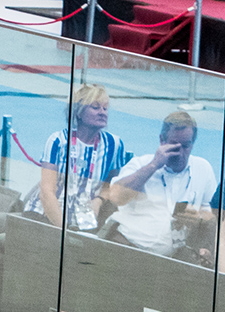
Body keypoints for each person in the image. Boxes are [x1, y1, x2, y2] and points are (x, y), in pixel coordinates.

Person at [104, 110, 216, 258]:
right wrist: (154, 165)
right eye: (174, 145)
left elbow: (213, 216)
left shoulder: (203, 169)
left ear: (193, 144)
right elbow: (116, 197)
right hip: (125, 246)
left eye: (186, 146)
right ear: (162, 140)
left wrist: (198, 219)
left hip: (170, 258)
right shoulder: (141, 164)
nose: (180, 152)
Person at [22, 82, 125, 232]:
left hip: (83, 221)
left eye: (105, 108)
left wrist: (99, 199)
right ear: (79, 112)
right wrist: (63, 231)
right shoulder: (58, 141)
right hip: (45, 214)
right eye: (95, 107)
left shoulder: (114, 144)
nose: (103, 112)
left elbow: (111, 182)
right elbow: (47, 192)